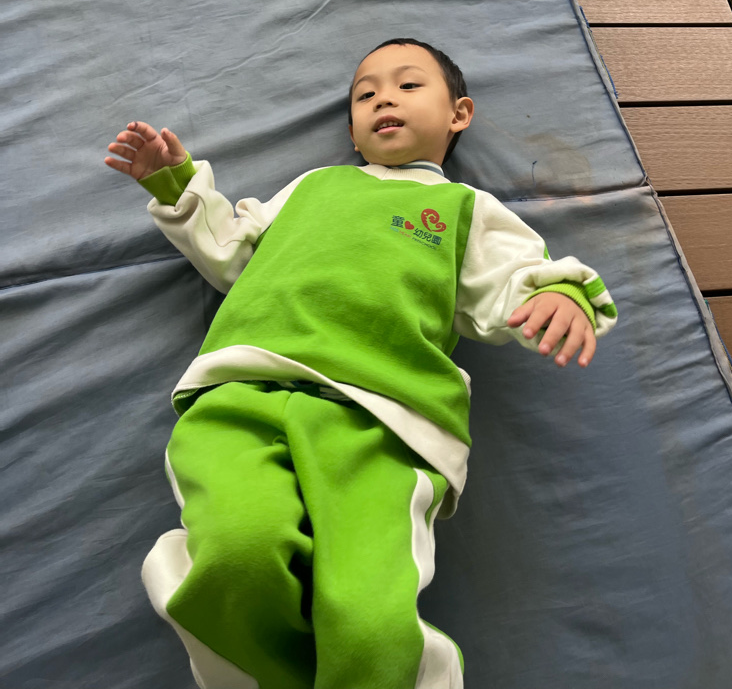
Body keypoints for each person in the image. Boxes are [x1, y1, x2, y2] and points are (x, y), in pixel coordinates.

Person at [104, 38, 617, 689]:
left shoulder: (467, 210)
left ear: (458, 114)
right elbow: (233, 252)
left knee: (368, 621)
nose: (383, 99)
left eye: (408, 85)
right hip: (241, 394)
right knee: (238, 556)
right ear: (352, 131)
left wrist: (562, 294)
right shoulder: (313, 187)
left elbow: (514, 277)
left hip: (385, 420)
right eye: (365, 94)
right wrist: (176, 186)